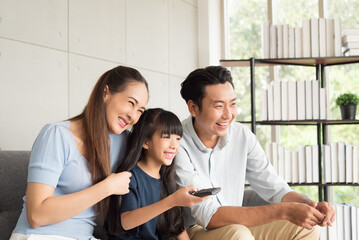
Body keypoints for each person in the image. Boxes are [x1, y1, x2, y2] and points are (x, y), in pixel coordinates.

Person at [174, 66, 336, 240]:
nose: (229, 114)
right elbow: (207, 215)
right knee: (238, 234)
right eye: (219, 106)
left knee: (306, 228)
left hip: (235, 227)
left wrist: (311, 205)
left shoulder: (241, 135)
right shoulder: (177, 143)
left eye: (233, 104)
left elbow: (275, 188)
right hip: (195, 231)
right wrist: (283, 211)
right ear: (193, 108)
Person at [10, 66, 149, 240]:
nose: (133, 117)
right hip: (40, 235)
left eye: (140, 111)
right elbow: (36, 215)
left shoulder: (124, 143)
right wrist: (106, 188)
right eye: (131, 103)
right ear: (106, 92)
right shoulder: (56, 135)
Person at [106, 108, 208, 240]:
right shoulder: (129, 177)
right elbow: (126, 221)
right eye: (166, 137)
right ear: (146, 142)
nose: (174, 145)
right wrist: (172, 201)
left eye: (178, 139)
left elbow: (176, 227)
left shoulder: (167, 179)